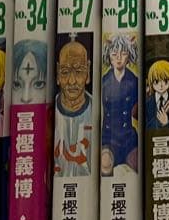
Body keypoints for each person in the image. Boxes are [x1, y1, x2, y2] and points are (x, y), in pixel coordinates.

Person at [54, 37, 94, 176]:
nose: (71, 81)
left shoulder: (99, 111)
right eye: (65, 72)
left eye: (78, 72)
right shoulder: (48, 115)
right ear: (58, 73)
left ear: (88, 72)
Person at [101, 34, 138, 175]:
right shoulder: (104, 82)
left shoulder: (134, 81)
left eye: (123, 53)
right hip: (109, 138)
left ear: (129, 56)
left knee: (137, 163)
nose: (119, 58)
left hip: (129, 138)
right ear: (109, 56)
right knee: (105, 163)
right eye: (114, 54)